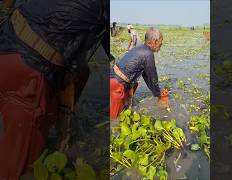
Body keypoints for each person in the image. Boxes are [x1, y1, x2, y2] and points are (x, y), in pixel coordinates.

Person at [0, 0, 110, 179]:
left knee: (82, 71)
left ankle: (57, 129)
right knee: (20, 170)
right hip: (26, 76)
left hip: (7, 38)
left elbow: (8, 4)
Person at [110, 27, 169, 120]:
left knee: (134, 86)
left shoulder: (139, 48)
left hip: (113, 78)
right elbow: (152, 78)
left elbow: (147, 76)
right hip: (117, 86)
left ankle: (127, 105)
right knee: (115, 120)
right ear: (155, 41)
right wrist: (159, 94)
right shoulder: (148, 54)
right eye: (160, 42)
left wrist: (156, 91)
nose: (161, 45)